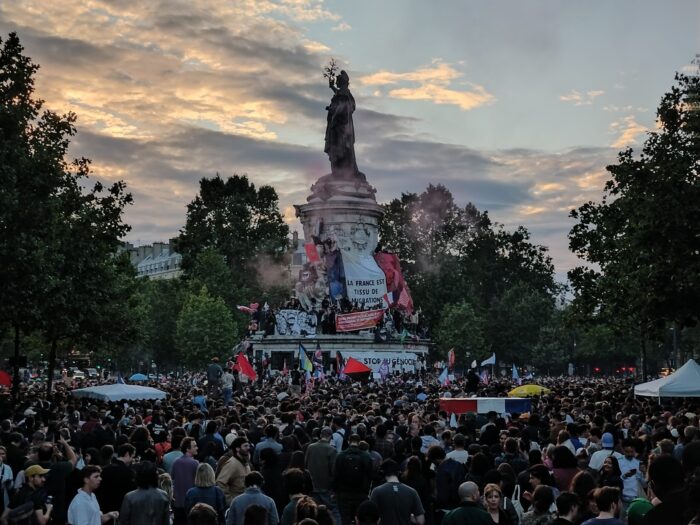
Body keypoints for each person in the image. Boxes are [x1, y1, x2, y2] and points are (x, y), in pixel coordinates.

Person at [324, 69, 359, 178]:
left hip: (340, 127)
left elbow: (342, 107)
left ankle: (341, 171)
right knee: (341, 148)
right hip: (340, 126)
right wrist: (332, 87)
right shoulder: (344, 92)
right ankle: (341, 170)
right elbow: (341, 98)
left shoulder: (344, 93)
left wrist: (333, 110)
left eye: (337, 81)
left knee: (339, 147)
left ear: (342, 82)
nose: (336, 82)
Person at [369, 459, 425, 525]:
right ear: (398, 473)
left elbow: (370, 518)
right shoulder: (412, 491)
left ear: (382, 472)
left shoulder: (377, 491)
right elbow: (420, 521)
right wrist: (409, 516)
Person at [334, 433, 373, 525]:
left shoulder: (340, 455)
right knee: (360, 518)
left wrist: (336, 490)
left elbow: (336, 474)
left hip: (344, 493)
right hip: (360, 493)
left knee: (345, 518)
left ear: (348, 441)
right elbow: (370, 475)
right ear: (359, 442)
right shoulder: (366, 456)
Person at [96, 443, 136, 517]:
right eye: (132, 456)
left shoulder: (104, 470)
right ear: (127, 454)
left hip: (105, 509)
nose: (132, 460)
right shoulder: (129, 473)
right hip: (121, 509)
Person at [305, 427, 337, 516]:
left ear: (320, 435)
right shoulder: (332, 450)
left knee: (312, 512)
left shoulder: (310, 447)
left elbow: (305, 464)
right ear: (330, 437)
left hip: (312, 485)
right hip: (325, 486)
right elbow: (333, 470)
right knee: (329, 512)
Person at [216, 437, 251, 505]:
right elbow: (220, 482)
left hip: (245, 502)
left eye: (248, 445)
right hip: (237, 503)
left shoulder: (245, 463)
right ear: (237, 449)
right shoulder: (232, 463)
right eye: (245, 446)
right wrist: (230, 501)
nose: (248, 448)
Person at [173, 437, 200, 525]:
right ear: (188, 449)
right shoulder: (195, 463)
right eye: (194, 446)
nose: (197, 448)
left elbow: (173, 478)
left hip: (178, 503)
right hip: (191, 503)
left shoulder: (176, 462)